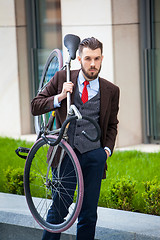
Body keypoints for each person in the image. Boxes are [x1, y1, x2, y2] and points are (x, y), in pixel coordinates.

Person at [31, 37, 120, 240]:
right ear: (79, 58)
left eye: (97, 59)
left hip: (94, 157)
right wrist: (61, 96)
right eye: (88, 58)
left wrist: (105, 152)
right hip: (65, 155)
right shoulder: (63, 77)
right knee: (58, 210)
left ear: (102, 58)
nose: (92, 64)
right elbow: (35, 106)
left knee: (89, 214)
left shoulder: (111, 90)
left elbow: (112, 125)